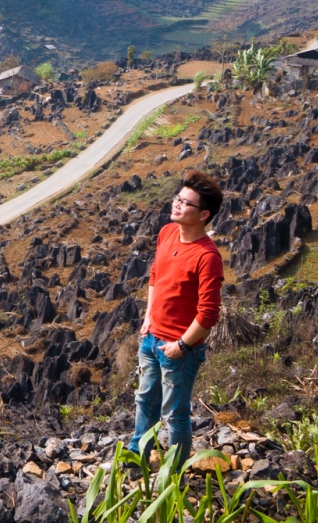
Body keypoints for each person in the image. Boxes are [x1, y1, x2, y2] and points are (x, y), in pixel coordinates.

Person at [130, 170, 224, 471]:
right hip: (152, 338)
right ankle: (137, 458)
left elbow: (209, 314)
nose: (178, 205)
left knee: (175, 414)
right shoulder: (167, 233)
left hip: (179, 349)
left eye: (186, 203)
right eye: (178, 199)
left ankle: (175, 472)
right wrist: (148, 316)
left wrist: (181, 345)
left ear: (204, 214)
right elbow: (156, 275)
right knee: (145, 400)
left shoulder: (207, 257)